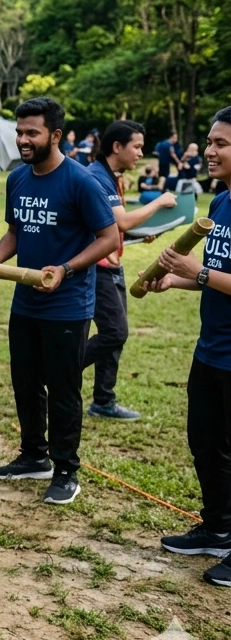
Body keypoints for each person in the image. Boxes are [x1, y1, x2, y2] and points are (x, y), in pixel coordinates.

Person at [0, 97, 117, 505]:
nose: (22, 140)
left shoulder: (81, 181)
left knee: (63, 389)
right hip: (25, 304)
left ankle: (66, 469)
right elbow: (16, 233)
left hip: (67, 306)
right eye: (19, 132)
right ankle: (34, 456)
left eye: (31, 132)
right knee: (26, 383)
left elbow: (109, 238)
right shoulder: (18, 179)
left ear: (56, 135)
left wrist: (65, 269)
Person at [142, 108, 231, 588]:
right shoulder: (221, 204)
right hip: (211, 349)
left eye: (221, 144)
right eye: (210, 142)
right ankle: (217, 528)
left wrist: (196, 271)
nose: (210, 151)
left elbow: (210, 272)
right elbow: (216, 277)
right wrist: (177, 280)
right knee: (206, 444)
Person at [82, 120, 178, 421]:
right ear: (117, 147)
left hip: (112, 266)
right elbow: (120, 222)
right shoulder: (96, 177)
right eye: (137, 146)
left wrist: (139, 234)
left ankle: (103, 401)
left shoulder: (113, 176)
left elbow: (113, 227)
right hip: (96, 267)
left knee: (115, 336)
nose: (141, 153)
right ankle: (56, 372)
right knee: (114, 332)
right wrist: (160, 202)